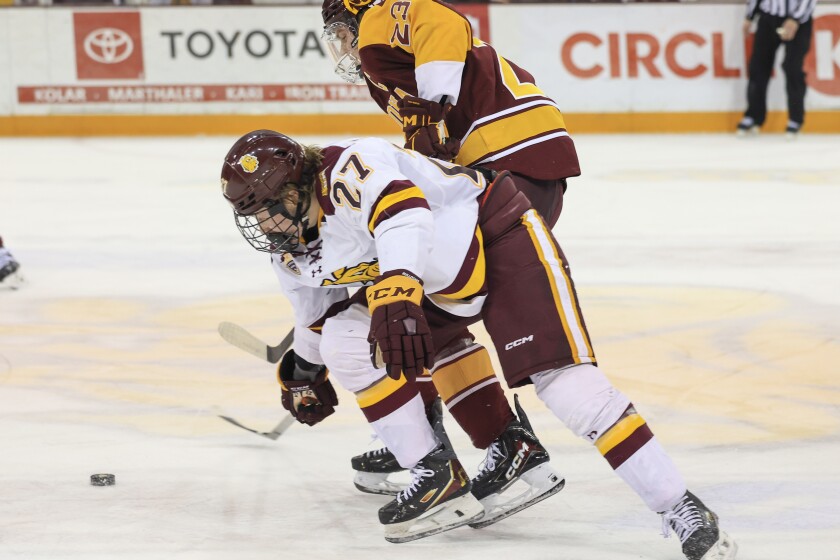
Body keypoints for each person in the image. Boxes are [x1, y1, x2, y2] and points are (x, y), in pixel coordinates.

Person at [220, 129, 738, 558]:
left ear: (297, 185)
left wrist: (398, 284)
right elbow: (313, 318)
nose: (264, 226)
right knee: (345, 341)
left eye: (267, 208)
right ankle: (435, 472)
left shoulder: (350, 167)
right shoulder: (290, 252)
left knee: (566, 387)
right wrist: (303, 375)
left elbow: (404, 212)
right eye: (253, 215)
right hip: (434, 281)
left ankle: (679, 505)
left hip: (496, 235)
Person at [321, 0, 580, 501]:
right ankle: (447, 434)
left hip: (503, 165)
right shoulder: (389, 63)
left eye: (340, 30)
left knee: (406, 306)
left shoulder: (378, 26)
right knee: (416, 304)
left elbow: (438, 18)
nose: (343, 43)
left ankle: (480, 440)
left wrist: (435, 105)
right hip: (513, 167)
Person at [737, 0, 817, 138]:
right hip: (769, 18)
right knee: (758, 67)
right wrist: (749, 16)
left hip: (799, 22)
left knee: (792, 68)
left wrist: (795, 19)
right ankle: (754, 116)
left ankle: (795, 119)